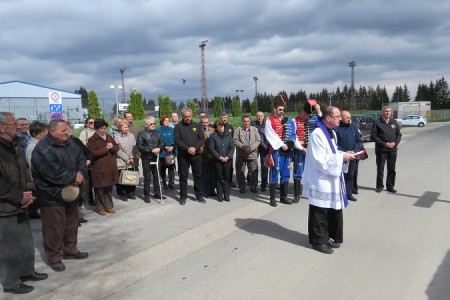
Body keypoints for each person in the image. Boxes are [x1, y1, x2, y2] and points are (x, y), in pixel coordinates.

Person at [0, 112, 48, 294]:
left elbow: (26, 171)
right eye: (14, 124)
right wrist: (19, 197)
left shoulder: (17, 145)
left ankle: (27, 272)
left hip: (22, 202)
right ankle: (11, 282)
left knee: (26, 241)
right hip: (5, 207)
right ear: (2, 128)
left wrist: (29, 191)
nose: (19, 127)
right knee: (9, 247)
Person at [31, 119, 88, 272]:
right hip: (51, 195)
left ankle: (70, 249)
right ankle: (55, 257)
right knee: (54, 228)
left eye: (68, 129)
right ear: (52, 131)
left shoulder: (71, 144)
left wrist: (81, 172)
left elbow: (82, 158)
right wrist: (73, 177)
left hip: (72, 193)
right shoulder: (43, 148)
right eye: (63, 130)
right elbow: (51, 172)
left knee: (71, 224)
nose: (67, 132)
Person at [303, 106, 356, 254]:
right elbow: (320, 159)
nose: (340, 119)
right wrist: (341, 158)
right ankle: (317, 241)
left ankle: (326, 237)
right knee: (320, 211)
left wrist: (344, 154)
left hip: (330, 179)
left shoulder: (331, 133)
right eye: (337, 116)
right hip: (320, 179)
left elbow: (332, 153)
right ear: (328, 118)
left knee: (330, 210)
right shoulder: (317, 134)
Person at [265, 95, 297, 207]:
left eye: (283, 110)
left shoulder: (289, 121)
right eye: (279, 109)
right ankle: (272, 199)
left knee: (286, 173)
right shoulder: (270, 121)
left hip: (287, 151)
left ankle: (283, 197)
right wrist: (281, 144)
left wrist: (289, 144)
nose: (281, 112)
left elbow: (293, 134)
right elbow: (270, 135)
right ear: (275, 109)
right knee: (274, 173)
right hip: (276, 150)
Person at [87, 119, 120, 215]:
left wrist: (112, 147)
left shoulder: (109, 136)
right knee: (100, 189)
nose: (103, 130)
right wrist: (106, 148)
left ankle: (109, 206)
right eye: (101, 128)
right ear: (96, 129)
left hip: (110, 167)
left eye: (105, 128)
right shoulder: (92, 140)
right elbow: (93, 153)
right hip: (99, 168)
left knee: (109, 187)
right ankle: (100, 207)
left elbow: (116, 147)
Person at [292, 99, 322, 203]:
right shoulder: (294, 121)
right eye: (304, 114)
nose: (306, 117)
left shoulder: (314, 119)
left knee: (313, 172)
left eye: (307, 115)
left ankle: (313, 193)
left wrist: (319, 112)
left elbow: (323, 125)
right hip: (300, 150)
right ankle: (296, 195)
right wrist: (302, 148)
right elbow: (293, 137)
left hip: (312, 150)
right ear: (301, 112)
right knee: (297, 172)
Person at [174, 107, 205, 205]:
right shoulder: (178, 127)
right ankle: (183, 197)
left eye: (189, 116)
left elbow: (201, 139)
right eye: (185, 116)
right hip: (183, 156)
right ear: (182, 116)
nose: (187, 118)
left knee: (198, 175)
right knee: (183, 176)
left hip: (196, 155)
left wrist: (195, 148)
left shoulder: (197, 125)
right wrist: (188, 148)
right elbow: (177, 140)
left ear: (192, 115)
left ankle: (199, 195)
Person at [370, 106, 402, 193]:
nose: (387, 113)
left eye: (389, 111)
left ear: (391, 113)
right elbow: (373, 136)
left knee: (392, 169)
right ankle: (379, 186)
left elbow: (399, 135)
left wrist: (394, 143)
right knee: (380, 169)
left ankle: (390, 186)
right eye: (386, 111)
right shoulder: (377, 122)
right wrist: (384, 144)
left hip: (392, 150)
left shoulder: (394, 122)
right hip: (381, 150)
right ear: (382, 112)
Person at [334, 111, 361, 201]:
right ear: (341, 118)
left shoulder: (353, 127)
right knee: (339, 175)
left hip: (352, 155)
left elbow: (358, 140)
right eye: (347, 118)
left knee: (350, 175)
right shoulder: (336, 128)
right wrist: (345, 151)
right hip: (341, 156)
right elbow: (334, 144)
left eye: (350, 117)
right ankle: (339, 193)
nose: (349, 119)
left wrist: (355, 151)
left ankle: (349, 193)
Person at [137, 116, 165, 203]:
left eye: (154, 123)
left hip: (156, 157)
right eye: (151, 124)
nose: (153, 125)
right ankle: (147, 195)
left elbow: (162, 143)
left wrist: (159, 148)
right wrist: (150, 150)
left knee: (156, 176)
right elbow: (139, 146)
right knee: (147, 178)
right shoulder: (141, 134)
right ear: (146, 125)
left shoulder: (157, 133)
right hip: (146, 158)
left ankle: (157, 193)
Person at [25, 121, 48, 219]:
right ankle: (32, 212)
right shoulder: (34, 146)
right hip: (36, 178)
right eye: (44, 132)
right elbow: (30, 164)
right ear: (36, 134)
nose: (46, 134)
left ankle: (33, 212)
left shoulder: (39, 144)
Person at [234, 114, 260, 193]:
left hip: (252, 154)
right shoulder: (237, 130)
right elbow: (235, 140)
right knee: (240, 171)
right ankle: (242, 187)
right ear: (242, 121)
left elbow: (258, 140)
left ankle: (253, 186)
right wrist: (244, 147)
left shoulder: (254, 129)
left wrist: (251, 148)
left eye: (248, 121)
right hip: (241, 154)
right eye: (244, 121)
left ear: (250, 121)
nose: (246, 123)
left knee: (253, 171)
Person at [209, 120, 235, 202]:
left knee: (227, 177)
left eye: (222, 127)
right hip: (217, 161)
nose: (221, 129)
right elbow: (211, 148)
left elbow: (232, 147)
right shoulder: (213, 136)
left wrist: (228, 156)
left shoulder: (229, 135)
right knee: (218, 177)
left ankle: (226, 194)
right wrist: (219, 157)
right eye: (219, 127)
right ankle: (220, 195)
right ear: (216, 128)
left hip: (227, 160)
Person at [114, 119, 137, 201]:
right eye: (124, 127)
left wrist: (131, 157)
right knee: (122, 178)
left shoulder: (131, 135)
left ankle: (131, 193)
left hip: (131, 160)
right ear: (120, 128)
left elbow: (134, 147)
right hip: (121, 161)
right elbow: (117, 150)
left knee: (131, 177)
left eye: (127, 127)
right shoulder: (117, 137)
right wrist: (126, 159)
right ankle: (123, 194)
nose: (126, 129)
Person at [78, 117, 96, 206]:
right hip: (89, 158)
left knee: (96, 180)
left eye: (94, 122)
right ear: (86, 124)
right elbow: (82, 146)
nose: (93, 123)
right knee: (89, 181)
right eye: (90, 122)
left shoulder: (97, 131)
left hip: (97, 158)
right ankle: (89, 199)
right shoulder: (84, 132)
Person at [156, 115, 176, 190]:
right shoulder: (158, 130)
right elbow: (158, 140)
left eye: (168, 120)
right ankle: (164, 182)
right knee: (163, 169)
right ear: (162, 122)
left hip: (171, 152)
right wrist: (165, 147)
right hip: (163, 152)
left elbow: (175, 138)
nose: (167, 122)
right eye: (165, 121)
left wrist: (172, 146)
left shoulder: (172, 129)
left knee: (171, 168)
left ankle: (171, 182)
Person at [200, 116, 217, 197]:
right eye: (204, 122)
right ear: (201, 122)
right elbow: (200, 146)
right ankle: (205, 191)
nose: (205, 124)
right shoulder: (198, 131)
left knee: (213, 175)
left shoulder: (213, 130)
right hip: (204, 157)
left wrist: (214, 154)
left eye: (207, 122)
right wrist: (208, 154)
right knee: (205, 176)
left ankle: (212, 190)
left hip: (213, 157)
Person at [251, 111, 269, 192]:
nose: (259, 117)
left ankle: (264, 185)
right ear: (256, 117)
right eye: (258, 116)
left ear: (263, 117)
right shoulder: (252, 124)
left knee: (264, 167)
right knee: (253, 166)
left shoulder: (267, 125)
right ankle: (252, 183)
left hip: (264, 149)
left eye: (261, 116)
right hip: (255, 148)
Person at [220, 113, 236, 187]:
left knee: (230, 166)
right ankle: (221, 181)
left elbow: (233, 138)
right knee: (221, 167)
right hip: (220, 150)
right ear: (220, 118)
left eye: (226, 117)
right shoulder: (218, 126)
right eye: (223, 118)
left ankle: (230, 180)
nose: (225, 119)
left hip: (229, 150)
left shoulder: (230, 127)